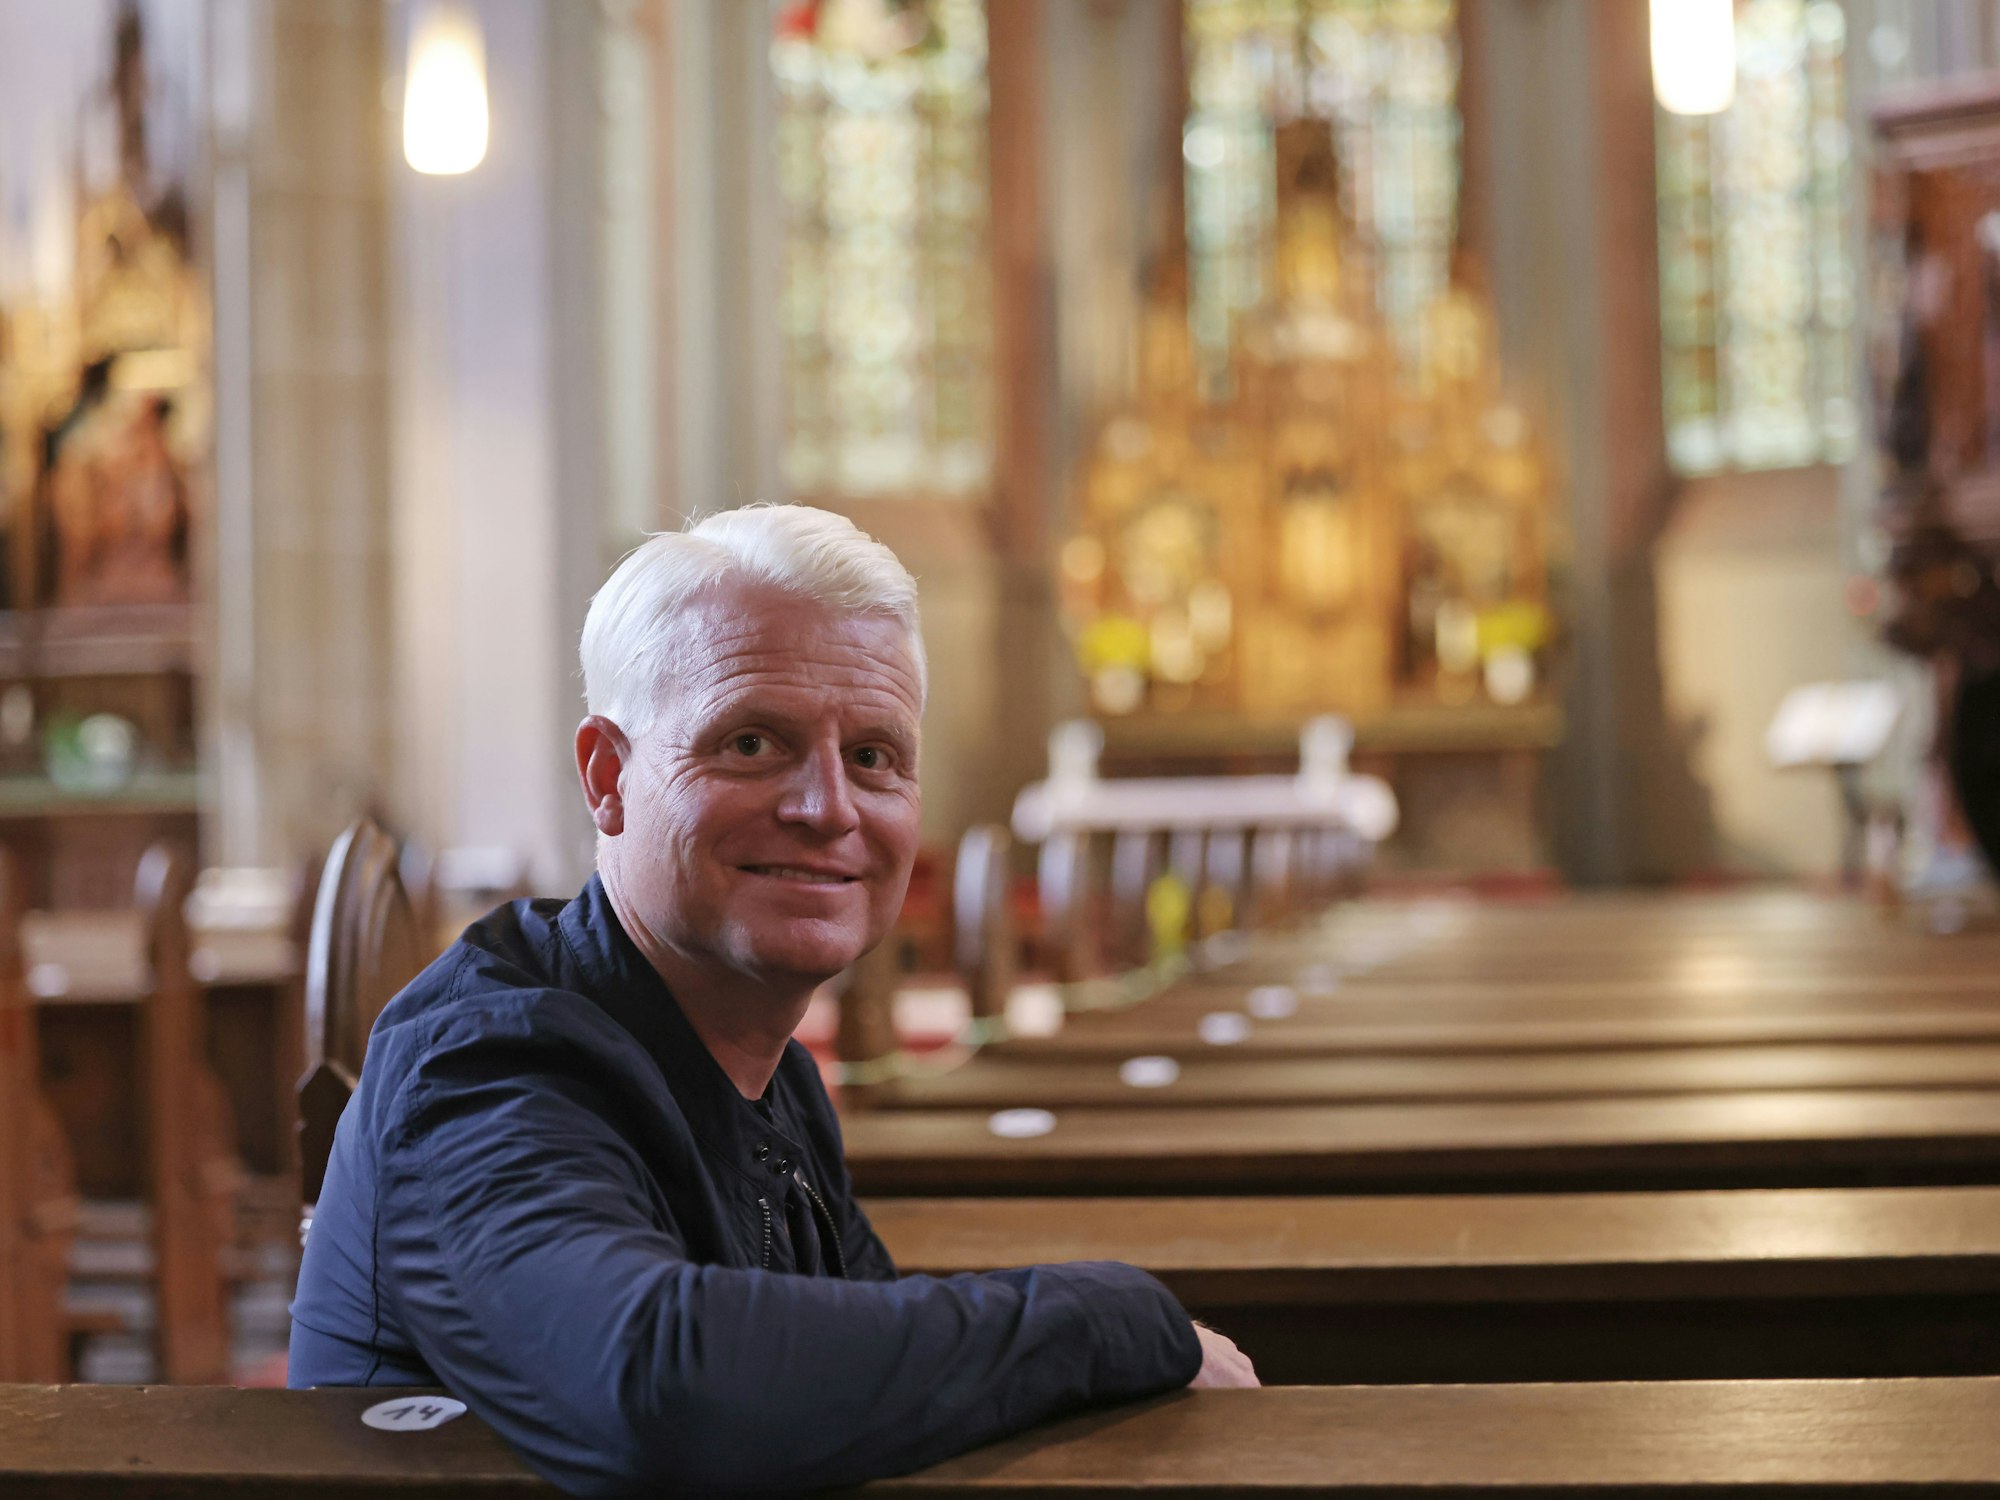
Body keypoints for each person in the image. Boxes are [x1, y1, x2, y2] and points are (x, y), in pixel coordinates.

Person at [288, 503, 1256, 1496]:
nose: (828, 807)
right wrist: (1111, 1319)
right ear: (608, 776)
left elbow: (856, 1363)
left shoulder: (769, 1067)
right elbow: (660, 1386)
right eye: (751, 743)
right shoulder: (483, 1059)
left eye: (872, 757)